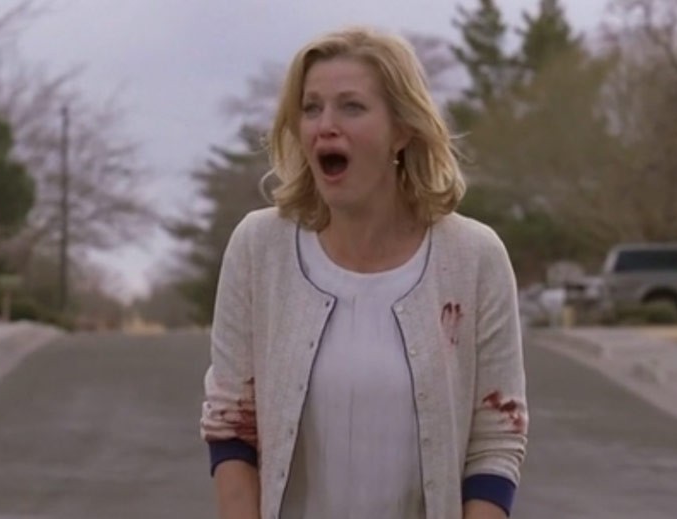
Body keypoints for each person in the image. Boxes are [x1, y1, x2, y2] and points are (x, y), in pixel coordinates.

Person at [199, 25, 528, 519]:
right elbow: (231, 424)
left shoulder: (474, 257)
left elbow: (496, 437)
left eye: (351, 107)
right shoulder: (258, 248)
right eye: (311, 108)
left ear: (403, 129)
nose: (325, 126)